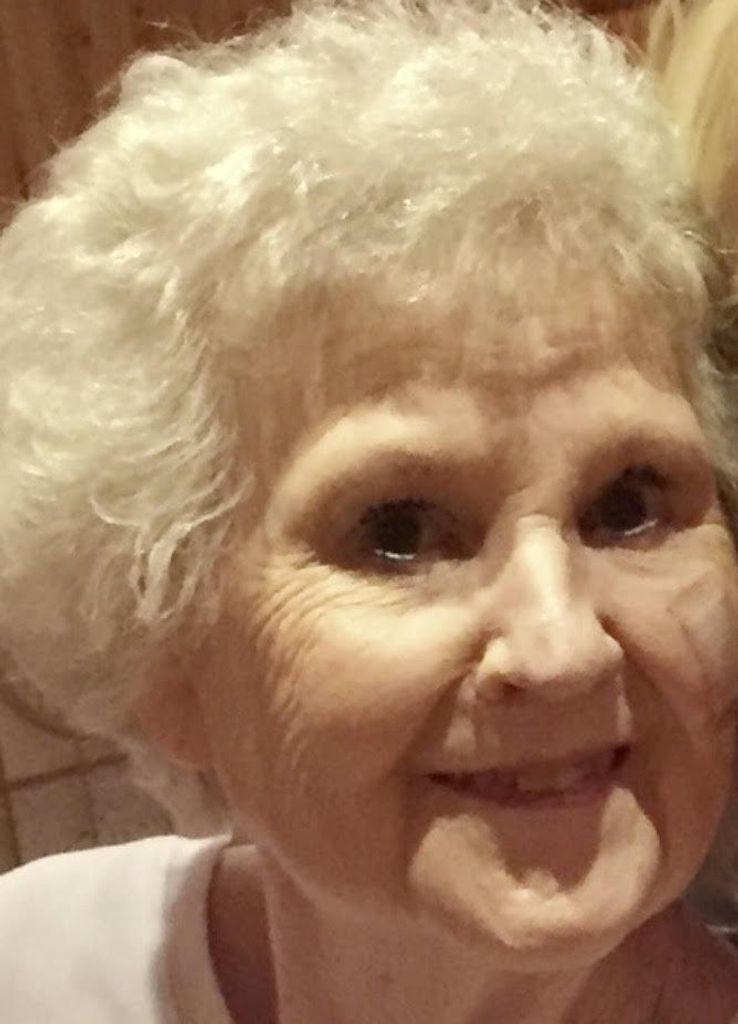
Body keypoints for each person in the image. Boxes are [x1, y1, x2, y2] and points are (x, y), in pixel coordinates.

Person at [1, 1, 738, 1020]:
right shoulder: (32, 970)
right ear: (159, 643)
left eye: (630, 505)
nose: (564, 649)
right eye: (399, 532)